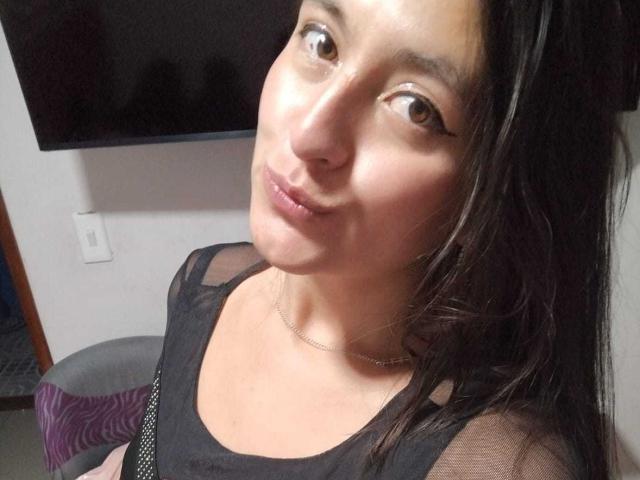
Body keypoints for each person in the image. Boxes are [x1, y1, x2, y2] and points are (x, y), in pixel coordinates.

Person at [79, 0, 630, 478]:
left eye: (417, 108)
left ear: (491, 196)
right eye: (321, 42)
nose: (308, 133)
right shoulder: (204, 285)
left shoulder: (495, 462)